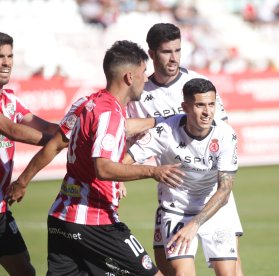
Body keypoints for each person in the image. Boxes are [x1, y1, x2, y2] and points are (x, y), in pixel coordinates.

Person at [7, 40, 185, 275]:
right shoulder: (109, 114)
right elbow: (103, 168)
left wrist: (23, 181)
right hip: (96, 222)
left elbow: (55, 144)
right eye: (143, 72)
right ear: (129, 77)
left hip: (61, 218)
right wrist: (153, 171)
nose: (146, 78)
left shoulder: (88, 103)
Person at [127, 22, 244, 276]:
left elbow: (219, 133)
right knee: (167, 266)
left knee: (232, 269)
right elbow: (131, 136)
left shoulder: (197, 84)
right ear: (152, 53)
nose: (174, 58)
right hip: (174, 194)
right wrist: (120, 175)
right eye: (167, 52)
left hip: (213, 192)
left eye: (178, 51)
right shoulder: (141, 94)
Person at [0, 32, 58, 276]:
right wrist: (58, 143)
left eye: (10, 56)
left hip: (1, 209)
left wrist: (75, 133)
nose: (6, 62)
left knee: (25, 271)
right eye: (0, 57)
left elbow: (42, 125)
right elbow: (12, 130)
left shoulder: (9, 99)